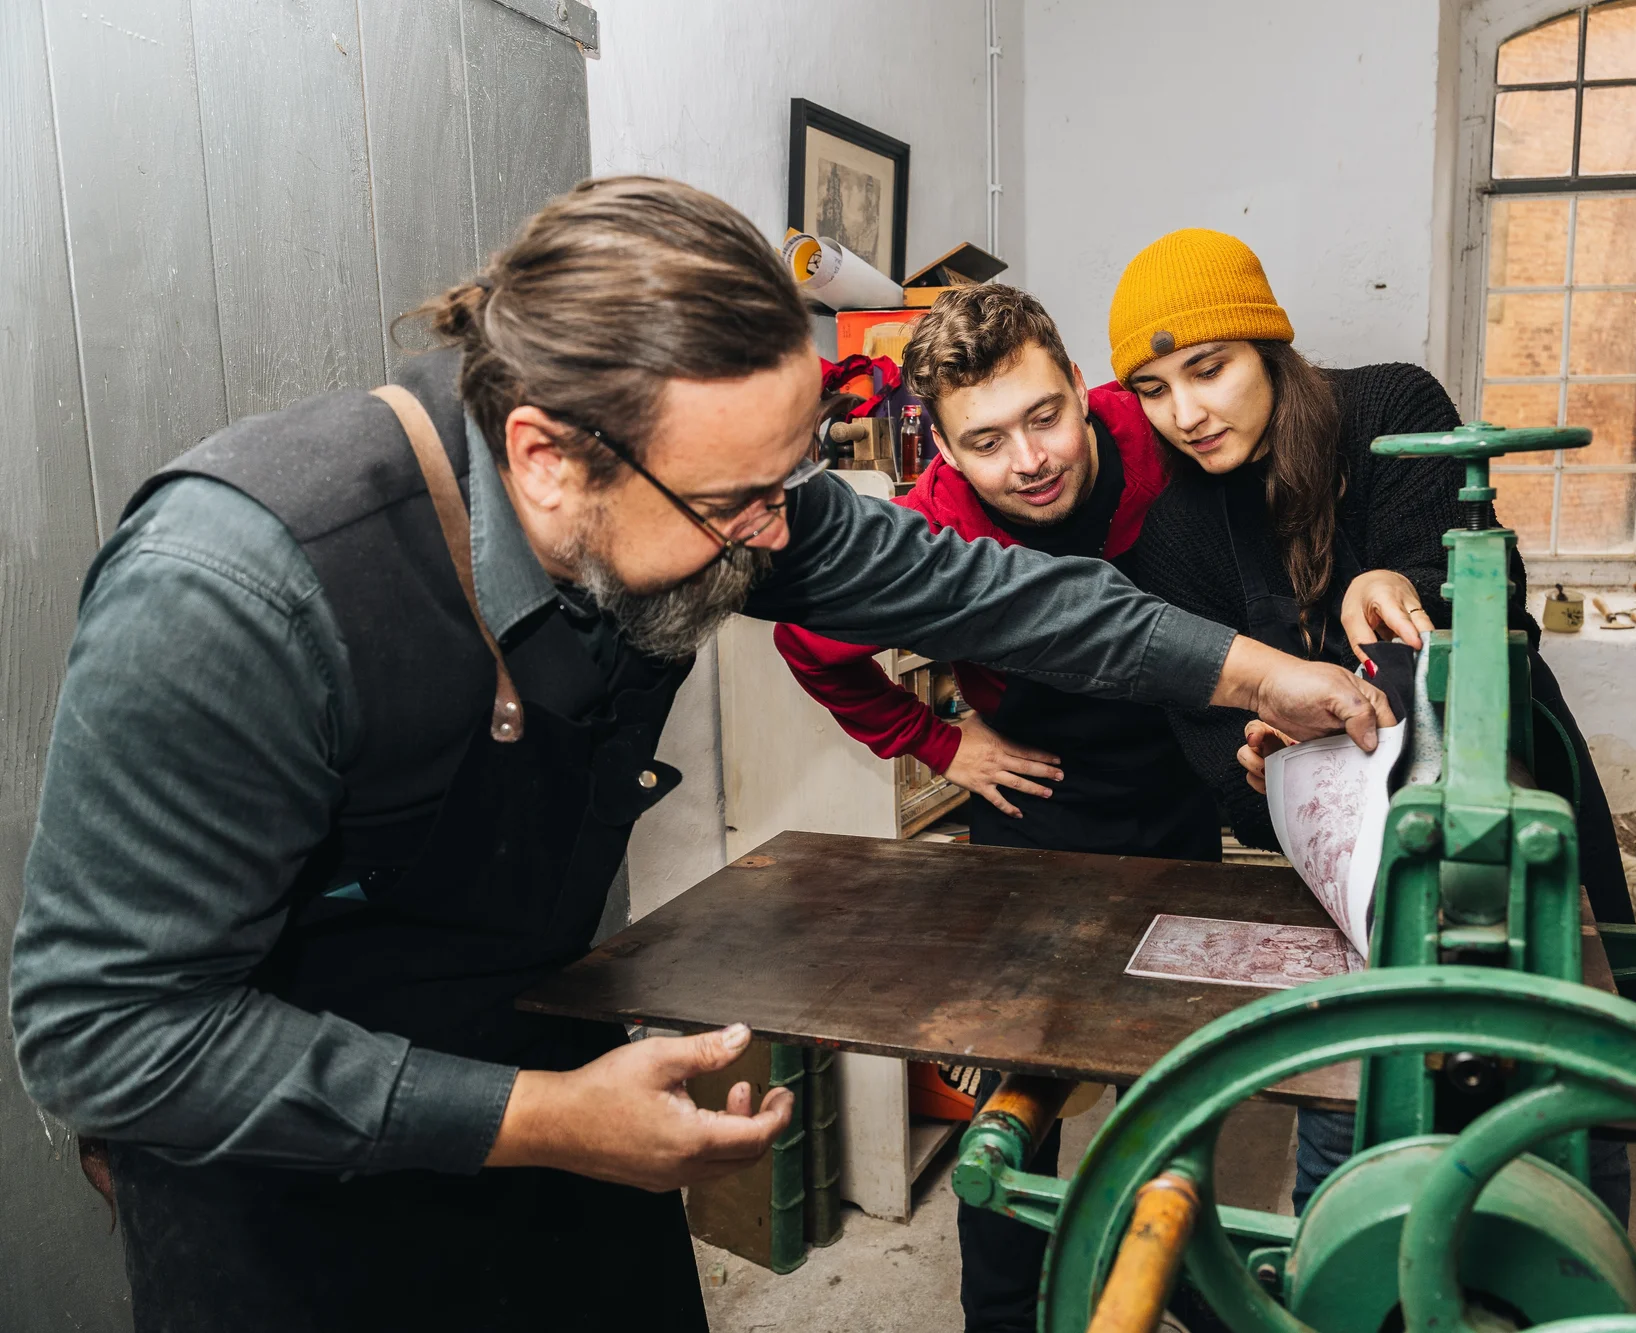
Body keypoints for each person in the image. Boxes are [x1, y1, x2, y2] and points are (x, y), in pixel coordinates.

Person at [8, 180, 1392, 1332]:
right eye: (739, 503)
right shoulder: (238, 589)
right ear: (548, 456)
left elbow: (992, 593)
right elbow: (104, 1033)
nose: (783, 539)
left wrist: (1267, 672)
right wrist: (541, 1117)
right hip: (289, 1195)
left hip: (561, 1082)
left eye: (793, 482)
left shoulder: (725, 493)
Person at [773, 285, 1278, 1332]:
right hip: (1038, 815)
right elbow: (810, 643)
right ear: (947, 453)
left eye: (1045, 416)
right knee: (1010, 1111)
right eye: (988, 441)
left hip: (1177, 801)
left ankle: (1187, 1270)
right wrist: (944, 742)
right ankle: (1000, 1314)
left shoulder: (1154, 433)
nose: (1030, 460)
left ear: (1082, 392)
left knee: (1172, 1079)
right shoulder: (932, 526)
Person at [1106, 227, 1633, 1224]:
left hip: (1506, 820)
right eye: (1152, 388)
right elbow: (1210, 745)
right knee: (1352, 1122)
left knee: (1571, 1106)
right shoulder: (1173, 538)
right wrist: (1256, 768)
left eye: (1207, 369)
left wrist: (1407, 583)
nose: (1185, 412)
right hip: (1356, 873)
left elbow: (1493, 595)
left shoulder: (1392, 411)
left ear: (1264, 343)